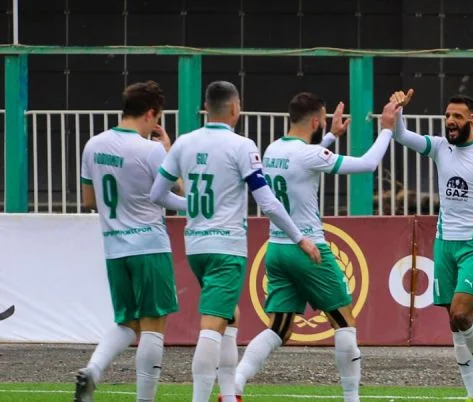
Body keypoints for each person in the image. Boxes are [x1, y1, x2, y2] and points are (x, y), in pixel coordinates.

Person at [149, 81, 320, 402]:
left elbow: (157, 194)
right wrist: (300, 238)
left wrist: (195, 207)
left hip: (196, 246)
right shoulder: (242, 145)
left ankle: (229, 396)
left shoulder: (184, 143)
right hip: (226, 247)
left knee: (231, 317)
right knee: (212, 324)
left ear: (206, 107)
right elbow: (267, 202)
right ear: (234, 108)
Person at [231, 94, 400, 402]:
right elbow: (368, 164)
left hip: (276, 249)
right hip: (308, 248)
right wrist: (387, 128)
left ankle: (236, 383)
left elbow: (303, 164)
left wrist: (331, 136)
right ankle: (351, 398)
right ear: (315, 120)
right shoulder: (308, 154)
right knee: (344, 322)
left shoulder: (272, 149)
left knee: (279, 328)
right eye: (323, 118)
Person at [389, 89, 473, 402]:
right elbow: (401, 135)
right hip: (444, 244)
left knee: (461, 314)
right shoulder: (440, 147)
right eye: (448, 115)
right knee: (454, 322)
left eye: (457, 116)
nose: (450, 121)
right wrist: (398, 110)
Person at [75, 80, 184, 402]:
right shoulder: (149, 149)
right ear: (150, 114)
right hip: (149, 245)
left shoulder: (93, 145)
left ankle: (93, 370)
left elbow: (88, 200)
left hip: (114, 247)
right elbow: (178, 189)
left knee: (128, 321)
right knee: (153, 325)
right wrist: (167, 150)